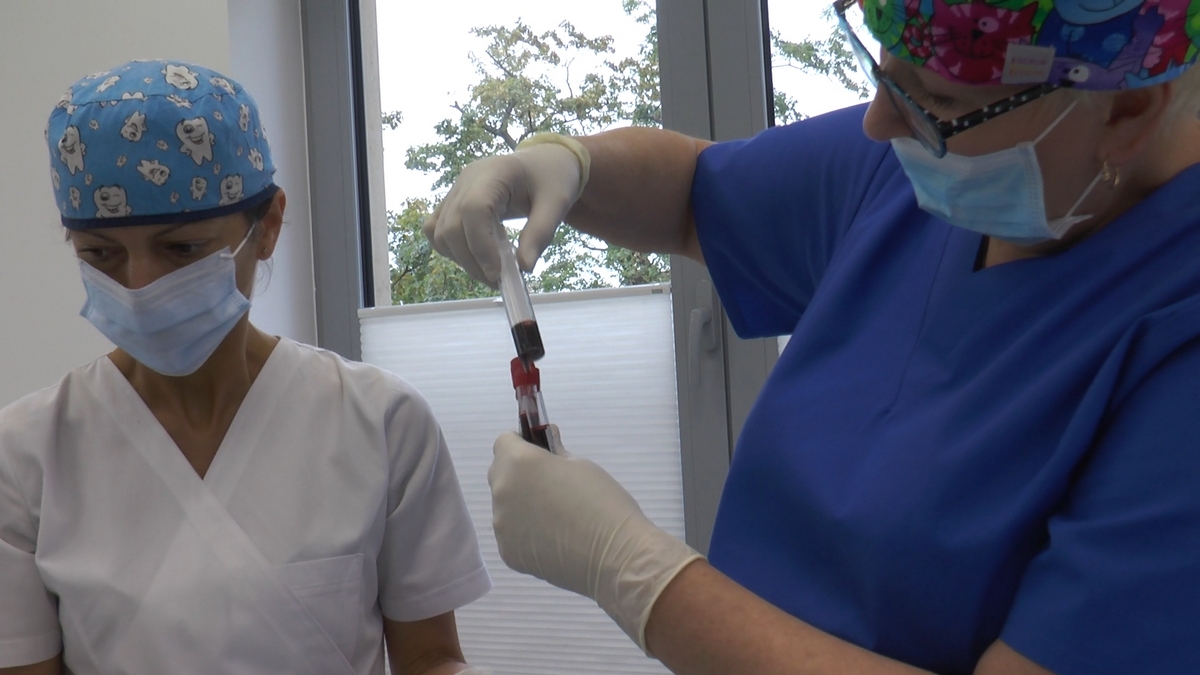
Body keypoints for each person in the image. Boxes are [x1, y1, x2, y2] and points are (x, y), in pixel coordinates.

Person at [422, 0, 1200, 672]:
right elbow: (694, 193)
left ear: (1127, 110)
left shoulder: (1174, 336)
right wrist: (567, 163)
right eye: (885, 70)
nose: (878, 121)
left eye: (935, 97)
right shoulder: (923, 171)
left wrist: (637, 574)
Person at [0, 60, 491, 675]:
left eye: (182, 248)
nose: (140, 285)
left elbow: (431, 658)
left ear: (269, 226)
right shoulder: (26, 455)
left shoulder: (381, 422)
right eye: (101, 255)